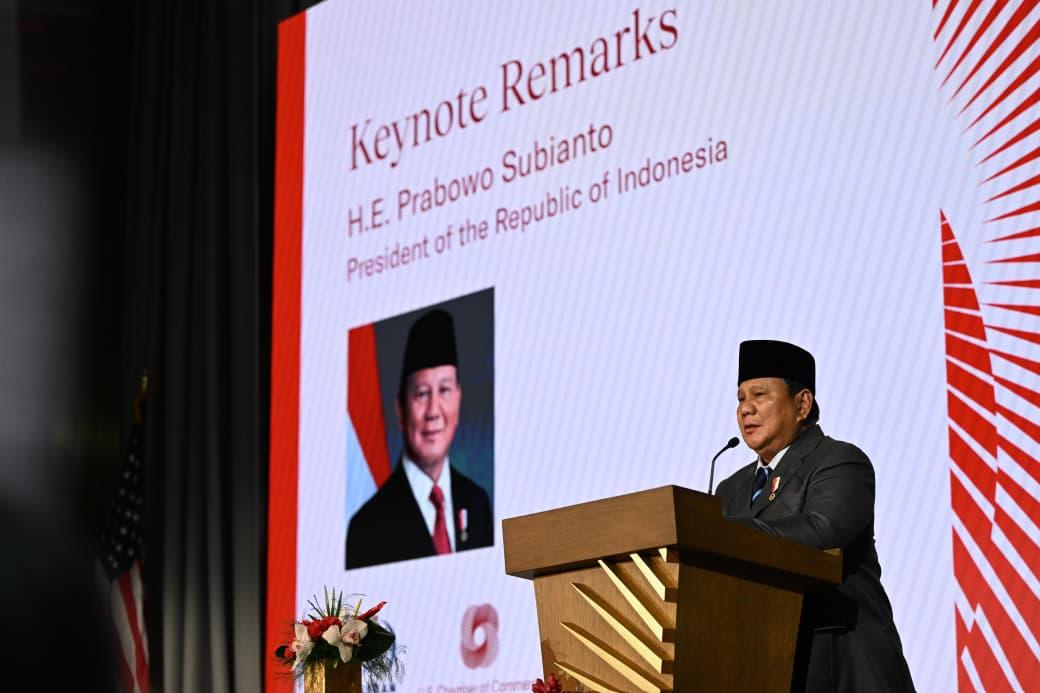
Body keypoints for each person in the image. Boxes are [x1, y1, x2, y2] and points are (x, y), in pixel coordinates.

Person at [714, 340, 915, 693]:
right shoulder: (730, 489)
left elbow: (822, 529)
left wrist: (720, 532)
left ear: (802, 403)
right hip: (763, 662)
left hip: (841, 662)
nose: (746, 409)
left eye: (759, 395)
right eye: (741, 398)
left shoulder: (840, 462)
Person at [345, 308, 493, 569]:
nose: (434, 411)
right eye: (422, 394)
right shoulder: (368, 526)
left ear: (458, 398)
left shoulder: (478, 503)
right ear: (401, 408)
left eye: (444, 390)